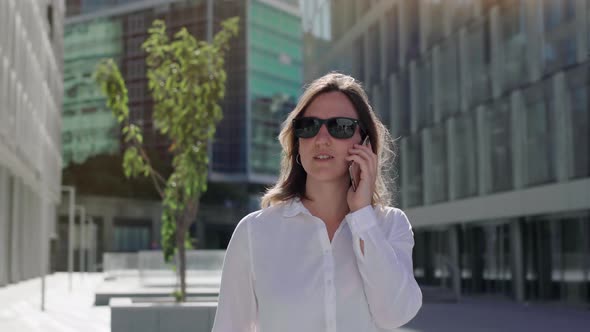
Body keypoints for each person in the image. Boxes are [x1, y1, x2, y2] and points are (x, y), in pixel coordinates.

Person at [211, 72, 422, 332]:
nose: (322, 139)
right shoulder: (254, 232)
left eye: (340, 126)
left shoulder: (390, 225)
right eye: (309, 126)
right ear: (297, 142)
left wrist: (363, 216)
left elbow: (395, 314)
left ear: (365, 141)